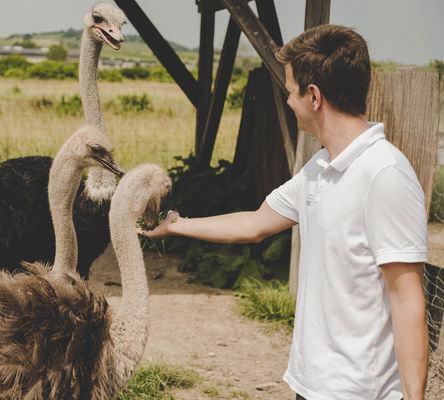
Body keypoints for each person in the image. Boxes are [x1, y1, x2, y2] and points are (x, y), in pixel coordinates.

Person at [138, 24, 428, 400]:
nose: (289, 102)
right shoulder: (320, 167)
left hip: (359, 392)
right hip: (312, 384)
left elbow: (407, 299)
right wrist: (177, 226)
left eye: (290, 92)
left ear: (314, 96)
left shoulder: (384, 174)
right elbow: (255, 222)